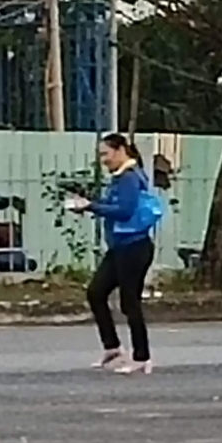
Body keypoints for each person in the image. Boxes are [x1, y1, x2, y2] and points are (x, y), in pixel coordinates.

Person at [69, 134, 162, 376]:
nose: (103, 160)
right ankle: (112, 348)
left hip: (134, 247)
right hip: (120, 248)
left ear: (120, 150)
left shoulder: (130, 177)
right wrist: (90, 205)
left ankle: (142, 357)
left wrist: (91, 207)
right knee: (96, 292)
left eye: (105, 154)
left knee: (129, 302)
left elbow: (124, 211)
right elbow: (112, 206)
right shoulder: (120, 177)